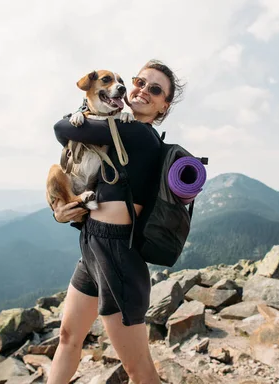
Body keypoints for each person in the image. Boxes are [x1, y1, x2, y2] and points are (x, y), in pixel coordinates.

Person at [47, 60, 184, 384]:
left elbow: (62, 129)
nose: (143, 91)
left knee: (140, 371)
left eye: (155, 90)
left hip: (116, 253)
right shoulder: (119, 129)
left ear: (163, 107)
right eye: (140, 82)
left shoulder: (137, 133)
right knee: (68, 337)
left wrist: (78, 112)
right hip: (93, 246)